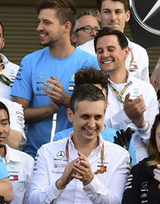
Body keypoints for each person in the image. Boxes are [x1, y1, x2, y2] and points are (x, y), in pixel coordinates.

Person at [11, 0, 97, 158]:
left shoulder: (90, 63)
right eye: (39, 22)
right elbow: (16, 115)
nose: (39, 28)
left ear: (66, 26)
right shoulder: (29, 61)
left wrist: (65, 99)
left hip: (78, 158)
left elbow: (96, 112)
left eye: (47, 22)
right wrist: (49, 109)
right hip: (35, 157)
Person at [94, 27, 158, 162]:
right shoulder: (92, 89)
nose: (105, 55)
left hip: (141, 166)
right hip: (104, 164)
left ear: (126, 52)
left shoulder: (145, 89)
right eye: (100, 51)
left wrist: (141, 124)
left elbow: (156, 142)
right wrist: (125, 115)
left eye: (111, 49)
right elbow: (93, 132)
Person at [77, 0, 148, 82]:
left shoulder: (140, 53)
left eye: (118, 12)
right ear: (99, 15)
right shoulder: (82, 51)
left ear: (127, 16)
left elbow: (145, 90)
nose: (113, 18)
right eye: (107, 12)